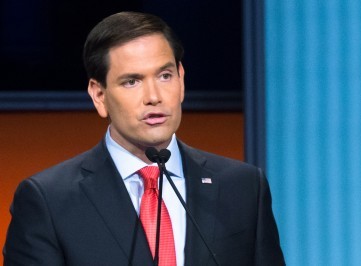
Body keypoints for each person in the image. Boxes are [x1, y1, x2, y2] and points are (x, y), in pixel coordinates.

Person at [3, 11, 285, 265]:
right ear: (99, 95)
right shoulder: (49, 200)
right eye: (131, 81)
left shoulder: (244, 188)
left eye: (164, 76)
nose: (154, 97)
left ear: (181, 80)